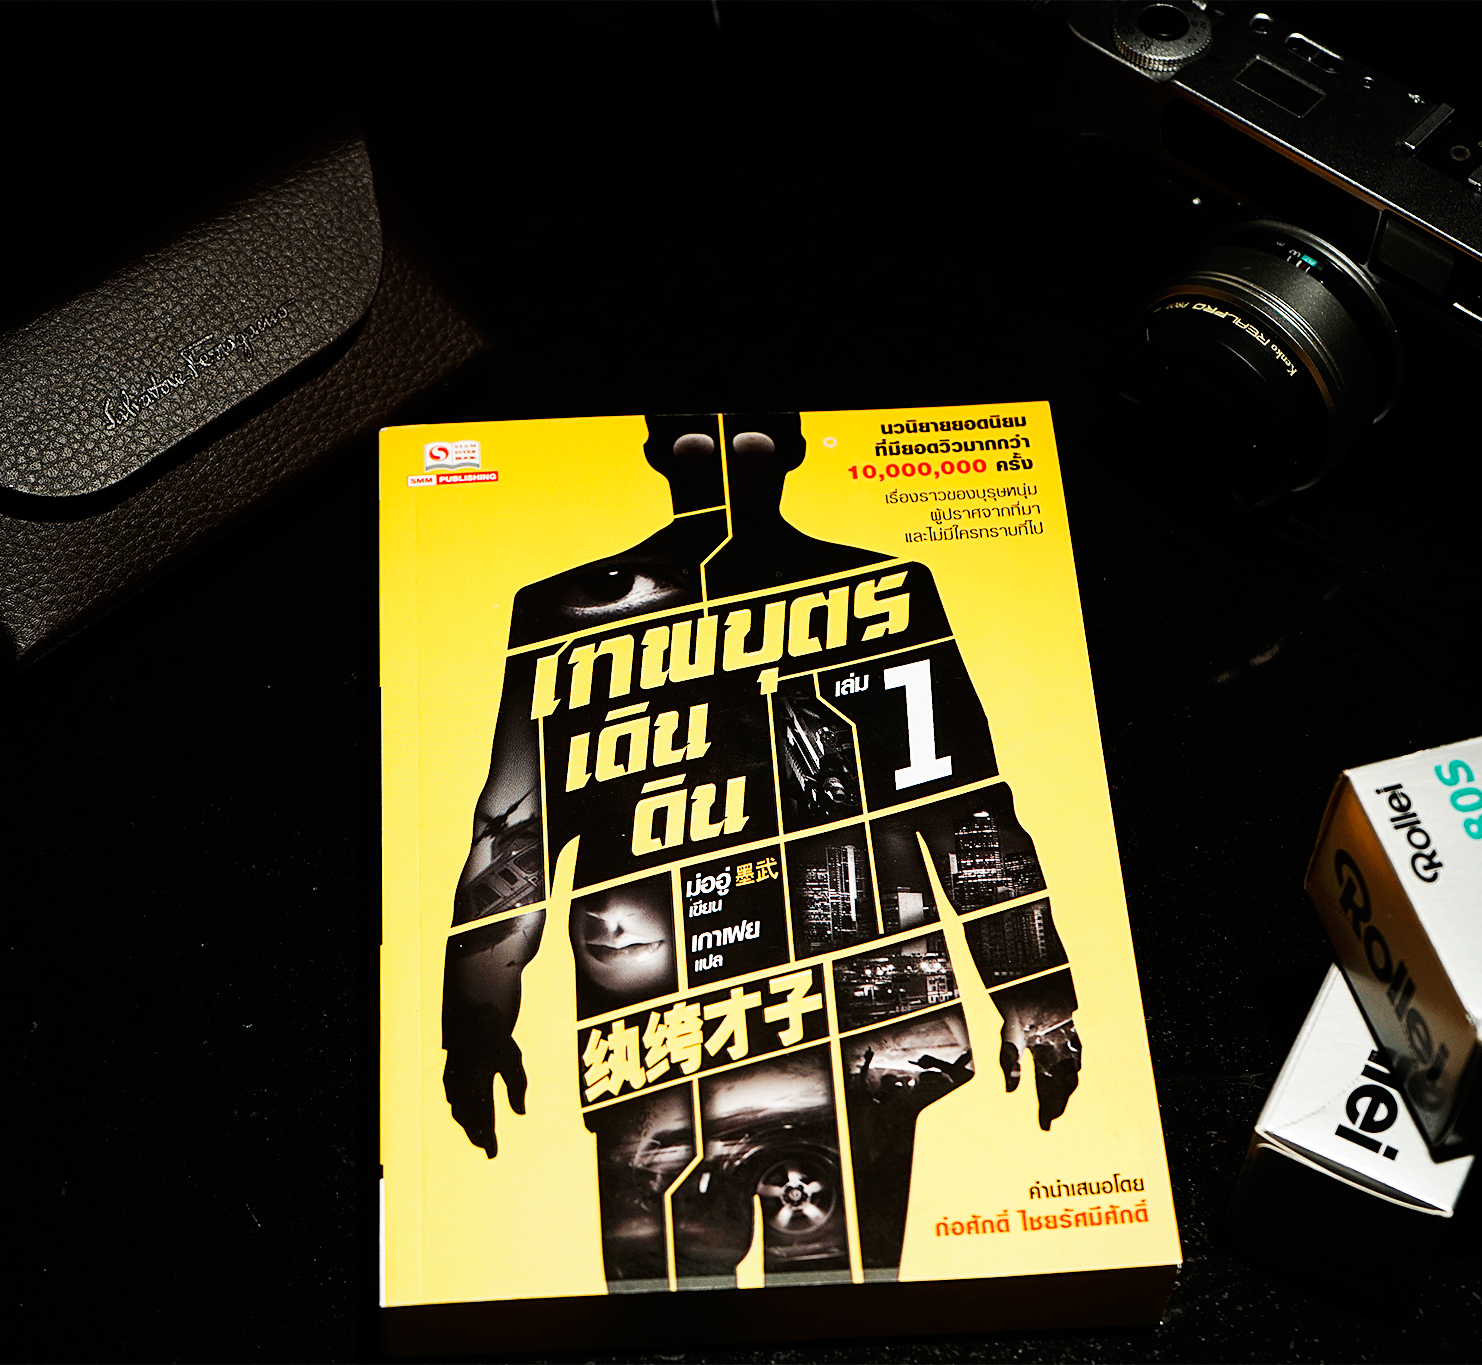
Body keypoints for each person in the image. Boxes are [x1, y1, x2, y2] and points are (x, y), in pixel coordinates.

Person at [442, 413, 1081, 1285]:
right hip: (703, 1036)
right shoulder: (567, 612)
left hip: (814, 1027)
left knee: (805, 1289)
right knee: (727, 1291)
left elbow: (963, 808)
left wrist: (1036, 994)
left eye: (738, 446)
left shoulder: (882, 592)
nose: (722, 468)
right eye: (707, 446)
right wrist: (478, 1018)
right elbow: (516, 834)